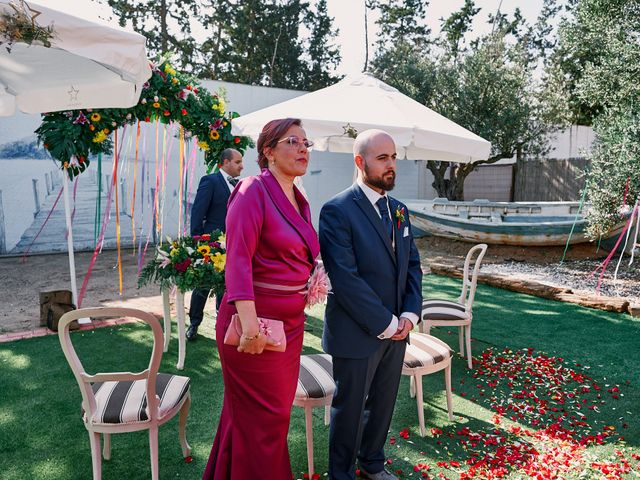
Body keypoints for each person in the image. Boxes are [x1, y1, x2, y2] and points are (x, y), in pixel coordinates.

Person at [203, 118, 320, 479]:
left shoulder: (299, 198)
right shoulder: (252, 190)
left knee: (255, 418)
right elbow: (237, 259)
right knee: (265, 422)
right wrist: (251, 328)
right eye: (292, 141)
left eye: (306, 143)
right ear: (267, 151)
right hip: (254, 327)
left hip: (290, 327)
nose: (303, 148)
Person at [319, 129, 423, 480]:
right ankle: (341, 474)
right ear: (360, 162)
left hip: (398, 329)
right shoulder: (337, 210)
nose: (391, 165)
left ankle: (372, 463)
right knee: (349, 411)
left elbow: (412, 266)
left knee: (382, 405)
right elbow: (346, 280)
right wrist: (387, 324)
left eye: (393, 157)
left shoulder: (399, 210)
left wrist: (409, 315)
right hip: (357, 332)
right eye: (383, 158)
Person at [187, 148, 243, 341]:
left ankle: (223, 321)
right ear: (226, 162)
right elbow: (198, 211)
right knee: (204, 285)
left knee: (226, 285)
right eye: (237, 162)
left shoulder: (240, 184)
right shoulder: (210, 181)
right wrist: (196, 240)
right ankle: (194, 324)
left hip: (234, 243)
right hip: (210, 244)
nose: (241, 166)